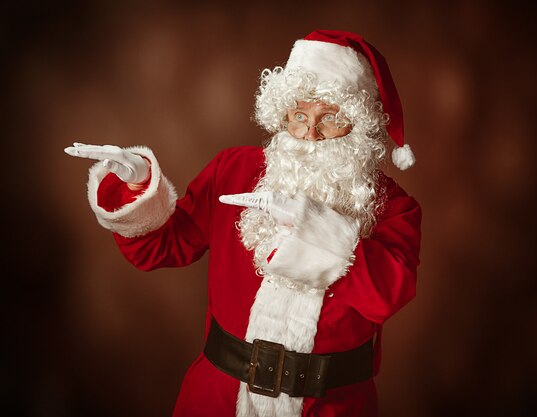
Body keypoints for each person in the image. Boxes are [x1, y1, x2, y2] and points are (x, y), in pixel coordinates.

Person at [65, 30, 421, 417]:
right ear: (283, 115)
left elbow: (388, 296)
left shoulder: (391, 205)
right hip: (217, 399)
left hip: (330, 408)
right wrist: (135, 185)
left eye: (330, 117)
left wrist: (317, 234)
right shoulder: (234, 171)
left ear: (358, 124)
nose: (311, 134)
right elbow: (158, 247)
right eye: (299, 115)